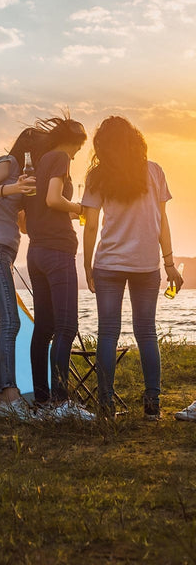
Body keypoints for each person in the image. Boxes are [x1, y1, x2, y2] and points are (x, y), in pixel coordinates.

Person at [82, 116, 184, 420]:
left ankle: (105, 405)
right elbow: (161, 221)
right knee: (147, 332)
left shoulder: (97, 176)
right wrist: (169, 263)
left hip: (109, 263)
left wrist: (87, 267)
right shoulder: (154, 171)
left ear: (103, 145)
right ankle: (152, 405)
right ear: (134, 139)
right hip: (146, 264)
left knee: (107, 333)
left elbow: (90, 228)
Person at [24, 115, 94, 420]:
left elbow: (36, 210)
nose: (78, 154)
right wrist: (79, 209)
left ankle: (42, 401)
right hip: (56, 251)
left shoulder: (40, 162)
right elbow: (54, 199)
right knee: (66, 326)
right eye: (80, 147)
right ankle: (61, 402)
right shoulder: (61, 157)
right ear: (75, 141)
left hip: (36, 251)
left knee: (44, 328)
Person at [0, 127, 45, 419]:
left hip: (2, 252)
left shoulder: (24, 177)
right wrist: (14, 188)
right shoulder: (8, 162)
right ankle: (12, 395)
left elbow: (25, 227)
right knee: (11, 321)